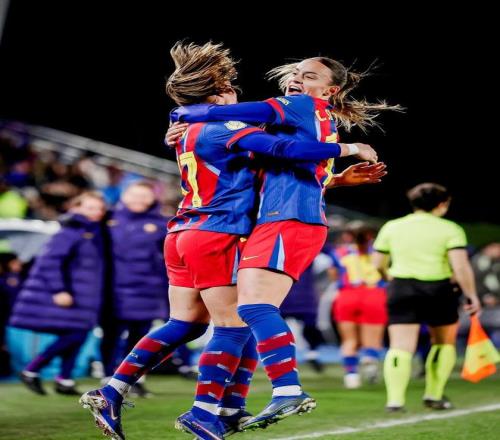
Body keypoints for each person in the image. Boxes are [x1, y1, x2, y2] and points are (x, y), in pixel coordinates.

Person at [80, 41, 379, 440]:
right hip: (215, 232)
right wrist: (347, 148)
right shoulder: (230, 127)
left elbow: (275, 169)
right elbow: (283, 149)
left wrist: (331, 178)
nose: (237, 94)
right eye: (229, 89)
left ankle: (112, 390)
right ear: (216, 98)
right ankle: (208, 411)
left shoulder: (191, 133)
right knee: (235, 325)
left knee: (184, 324)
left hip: (182, 232)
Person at [168, 53, 397, 431]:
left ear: (329, 90)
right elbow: (290, 164)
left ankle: (286, 390)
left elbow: (216, 114)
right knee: (247, 313)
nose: (297, 79)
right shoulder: (306, 117)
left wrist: (181, 116)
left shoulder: (298, 106)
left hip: (287, 221)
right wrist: (337, 179)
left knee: (253, 307)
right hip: (286, 219)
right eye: (296, 73)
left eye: (309, 76)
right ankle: (228, 409)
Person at [372, 183, 481, 411]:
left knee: (400, 346)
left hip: (401, 287)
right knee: (443, 343)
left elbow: (378, 264)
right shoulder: (450, 229)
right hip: (439, 288)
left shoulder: (392, 226)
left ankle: (395, 401)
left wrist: (388, 277)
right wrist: (471, 294)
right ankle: (434, 395)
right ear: (442, 204)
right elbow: (460, 267)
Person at [9, 191, 107, 395]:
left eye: (100, 208)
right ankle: (32, 369)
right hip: (70, 294)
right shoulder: (69, 232)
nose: (96, 212)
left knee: (78, 335)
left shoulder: (93, 232)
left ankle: (64, 379)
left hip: (83, 295)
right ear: (76, 208)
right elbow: (49, 262)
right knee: (75, 334)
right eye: (90, 207)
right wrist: (59, 290)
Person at [100, 181, 169, 397]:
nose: (139, 199)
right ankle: (108, 376)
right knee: (111, 334)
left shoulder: (162, 224)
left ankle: (134, 379)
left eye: (144, 195)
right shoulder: (106, 220)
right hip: (112, 289)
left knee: (140, 338)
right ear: (124, 196)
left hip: (148, 289)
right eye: (134, 194)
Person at [331, 223, 387, 388]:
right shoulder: (380, 252)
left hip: (347, 295)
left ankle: (351, 376)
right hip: (374, 295)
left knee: (349, 340)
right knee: (372, 340)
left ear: (348, 235)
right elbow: (384, 271)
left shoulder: (339, 252)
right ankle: (370, 362)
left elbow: (334, 275)